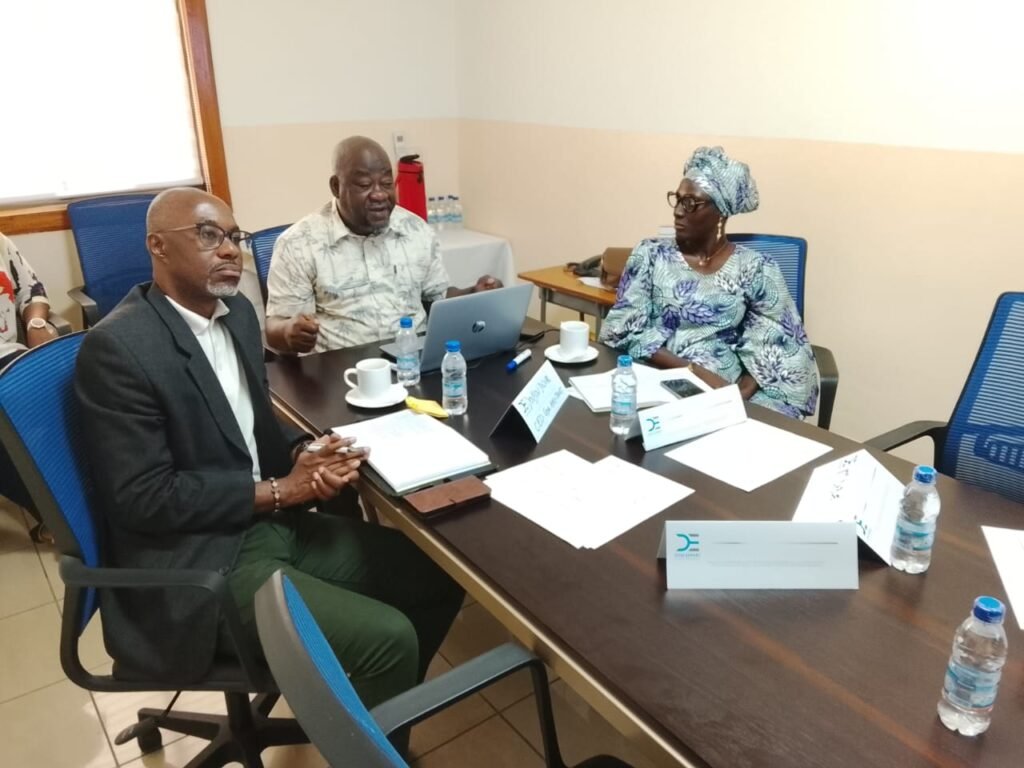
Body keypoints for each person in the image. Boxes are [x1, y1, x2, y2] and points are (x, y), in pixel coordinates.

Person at [75, 189, 464, 710]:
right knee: (388, 638)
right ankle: (366, 732)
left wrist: (307, 450)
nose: (229, 249)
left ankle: (371, 718)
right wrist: (280, 490)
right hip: (197, 561)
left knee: (439, 575)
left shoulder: (235, 314)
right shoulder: (119, 348)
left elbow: (254, 421)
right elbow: (144, 498)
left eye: (233, 237)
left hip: (265, 524)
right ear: (158, 246)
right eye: (208, 235)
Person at [600, 147, 818, 418]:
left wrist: (738, 395)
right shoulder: (651, 255)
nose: (678, 211)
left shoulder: (756, 268)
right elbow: (622, 330)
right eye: (677, 199)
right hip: (658, 378)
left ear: (721, 212)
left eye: (691, 203)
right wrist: (693, 371)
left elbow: (777, 345)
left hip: (725, 389)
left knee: (764, 431)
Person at [265, 136, 502, 354]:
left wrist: (473, 294)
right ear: (336, 187)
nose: (379, 194)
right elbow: (274, 326)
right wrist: (287, 332)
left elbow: (437, 297)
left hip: (412, 359)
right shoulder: (298, 243)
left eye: (387, 183)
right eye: (364, 185)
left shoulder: (415, 229)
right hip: (339, 369)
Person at [0, 232, 59, 541]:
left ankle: (85, 497)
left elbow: (32, 290)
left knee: (68, 393)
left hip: (11, 357)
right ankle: (53, 515)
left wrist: (36, 323)